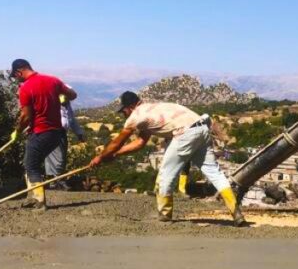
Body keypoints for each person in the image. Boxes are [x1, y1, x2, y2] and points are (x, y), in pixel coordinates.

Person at [90, 92, 247, 226]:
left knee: (165, 175)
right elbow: (139, 143)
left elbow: (118, 142)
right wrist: (115, 154)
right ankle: (236, 212)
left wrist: (101, 157)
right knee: (215, 173)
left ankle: (165, 216)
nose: (124, 114)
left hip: (184, 134)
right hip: (202, 128)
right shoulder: (152, 110)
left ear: (128, 107)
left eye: (123, 111)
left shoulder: (135, 116)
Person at [8, 59, 77, 212]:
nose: (16, 79)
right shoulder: (53, 80)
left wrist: (17, 131)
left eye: (15, 76)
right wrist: (62, 96)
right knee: (32, 162)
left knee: (31, 166)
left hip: (40, 132)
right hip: (56, 133)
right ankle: (32, 197)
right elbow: (73, 95)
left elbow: (26, 117)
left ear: (19, 72)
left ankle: (40, 202)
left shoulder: (25, 88)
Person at [45, 86, 83, 190]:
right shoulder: (52, 103)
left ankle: (56, 181)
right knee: (58, 157)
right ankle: (56, 181)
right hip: (52, 132)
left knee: (61, 157)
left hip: (62, 133)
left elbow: (71, 119)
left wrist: (79, 133)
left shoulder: (67, 105)